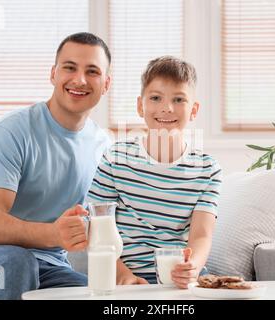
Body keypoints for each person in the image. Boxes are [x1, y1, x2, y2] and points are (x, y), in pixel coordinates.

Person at [0, 32, 112, 300]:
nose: (79, 80)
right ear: (53, 74)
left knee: (95, 294)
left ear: (106, 84)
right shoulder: (12, 132)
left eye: (92, 71)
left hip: (50, 267)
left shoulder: (104, 145)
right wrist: (55, 233)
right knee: (17, 263)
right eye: (69, 68)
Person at [87, 56, 222, 289]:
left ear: (194, 110)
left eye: (179, 99)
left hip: (180, 280)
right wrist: (122, 274)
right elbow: (96, 226)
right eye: (156, 98)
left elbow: (201, 234)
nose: (167, 108)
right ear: (141, 106)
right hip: (125, 277)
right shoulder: (115, 159)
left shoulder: (208, 170)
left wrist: (192, 268)